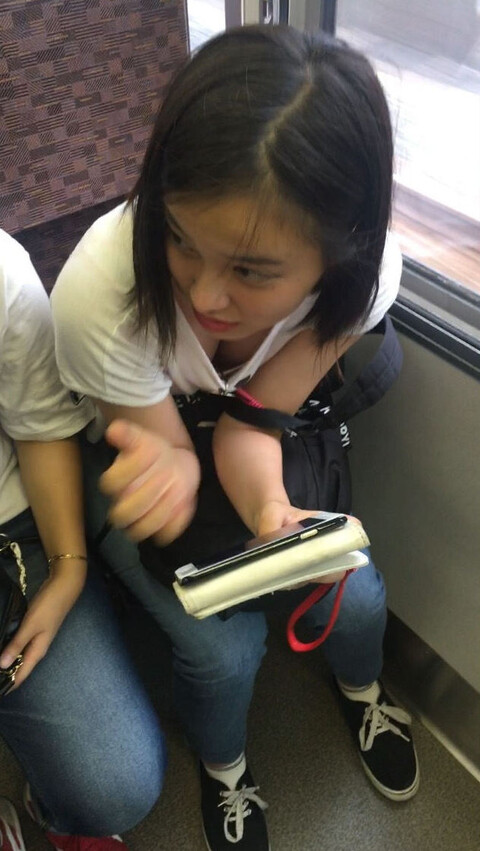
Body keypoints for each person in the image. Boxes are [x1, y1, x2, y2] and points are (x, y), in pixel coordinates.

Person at [51, 25, 419, 851]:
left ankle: (363, 690)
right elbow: (169, 451)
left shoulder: (364, 280)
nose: (206, 296)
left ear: (339, 254)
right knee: (223, 651)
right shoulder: (100, 290)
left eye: (252, 270)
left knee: (358, 593)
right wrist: (173, 467)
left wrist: (270, 513)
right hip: (138, 463)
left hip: (239, 448)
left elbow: (254, 420)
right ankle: (224, 768)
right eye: (180, 238)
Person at [0, 230, 165, 851]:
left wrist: (68, 567)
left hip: (11, 530)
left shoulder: (4, 271)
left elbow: (39, 424)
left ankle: (58, 806)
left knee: (116, 786)